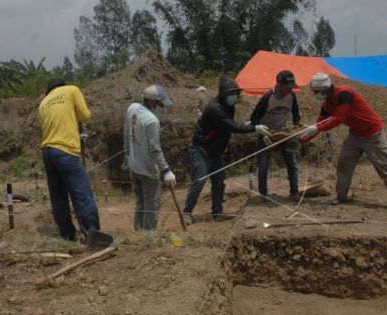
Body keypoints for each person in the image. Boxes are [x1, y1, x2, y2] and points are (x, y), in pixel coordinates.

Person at [300, 73, 387, 208]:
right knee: (344, 165)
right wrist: (303, 138)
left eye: (316, 92)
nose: (315, 94)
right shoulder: (326, 104)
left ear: (325, 89)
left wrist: (318, 128)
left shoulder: (344, 94)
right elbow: (319, 123)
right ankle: (341, 197)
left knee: (384, 166)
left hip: (372, 133)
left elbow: (339, 118)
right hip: (355, 134)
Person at [183, 76, 271, 223]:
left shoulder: (229, 107)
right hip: (201, 150)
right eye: (231, 94)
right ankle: (187, 212)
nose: (233, 97)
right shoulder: (215, 108)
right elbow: (231, 126)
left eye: (235, 94)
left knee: (218, 182)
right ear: (223, 94)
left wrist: (247, 125)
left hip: (216, 151)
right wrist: (253, 128)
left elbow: (229, 125)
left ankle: (217, 213)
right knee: (200, 180)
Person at [38, 79, 100, 241]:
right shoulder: (71, 90)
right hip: (65, 150)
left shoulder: (43, 103)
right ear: (62, 86)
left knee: (58, 196)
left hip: (47, 151)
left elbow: (51, 127)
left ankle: (67, 235)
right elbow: (85, 116)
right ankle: (93, 235)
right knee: (81, 194)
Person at [123, 85, 177, 231]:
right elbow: (155, 150)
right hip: (148, 171)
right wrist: (166, 170)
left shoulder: (132, 108)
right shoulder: (151, 121)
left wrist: (127, 154)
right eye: (159, 104)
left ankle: (138, 232)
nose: (160, 107)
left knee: (140, 203)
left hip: (133, 167)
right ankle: (148, 238)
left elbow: (127, 133)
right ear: (152, 102)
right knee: (151, 206)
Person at [250, 70, 301, 202]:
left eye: (292, 87)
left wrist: (297, 126)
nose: (290, 90)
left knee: (291, 162)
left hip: (283, 132)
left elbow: (296, 114)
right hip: (267, 133)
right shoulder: (267, 99)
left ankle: (294, 192)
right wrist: (261, 132)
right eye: (288, 88)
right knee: (263, 165)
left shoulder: (292, 96)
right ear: (279, 85)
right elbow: (254, 118)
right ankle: (263, 194)